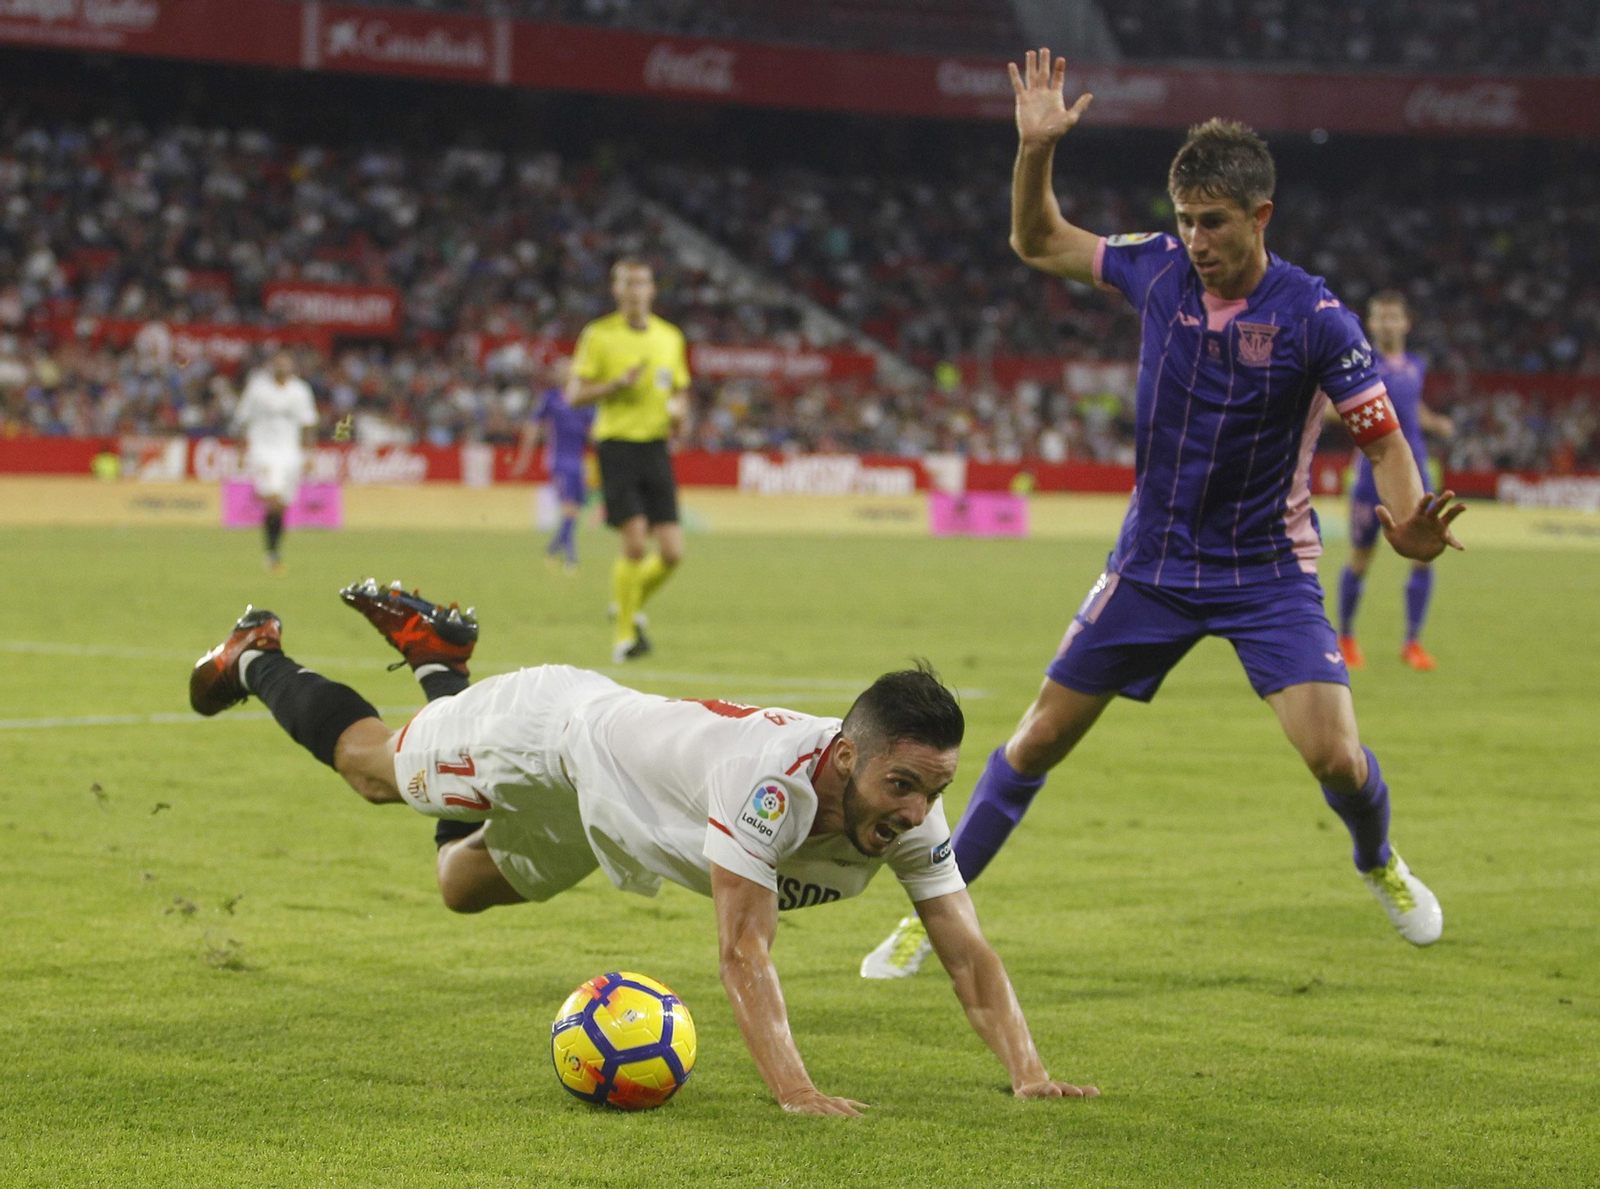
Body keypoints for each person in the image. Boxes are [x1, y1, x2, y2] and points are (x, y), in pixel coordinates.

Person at [862, 49, 1466, 980]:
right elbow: (1038, 241)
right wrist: (1034, 154)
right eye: (1185, 221)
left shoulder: (1317, 318)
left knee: (1337, 758)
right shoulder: (1155, 270)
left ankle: (1379, 860)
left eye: (1213, 223)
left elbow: (1383, 441)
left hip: (1268, 569)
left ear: (1260, 216)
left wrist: (1409, 527)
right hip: (1152, 562)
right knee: (1035, 738)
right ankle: (932, 916)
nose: (1195, 239)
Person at [187, 580, 1099, 1115]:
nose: (915, 811)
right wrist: (796, 1091)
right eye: (902, 786)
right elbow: (743, 949)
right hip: (549, 730)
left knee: (462, 885)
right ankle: (256, 655)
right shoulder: (771, 779)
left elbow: (964, 947)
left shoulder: (908, 808)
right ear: (846, 757)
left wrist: (1030, 1072)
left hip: (609, 813)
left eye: (935, 789)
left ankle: (440, 662)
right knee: (373, 768)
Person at [566, 259, 691, 662]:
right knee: (635, 543)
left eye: (642, 282)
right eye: (628, 284)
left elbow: (680, 390)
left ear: (653, 289)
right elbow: (574, 395)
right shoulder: (599, 335)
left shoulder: (670, 337)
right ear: (617, 290)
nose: (636, 290)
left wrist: (680, 416)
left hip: (655, 447)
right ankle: (624, 639)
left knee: (672, 552)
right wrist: (614, 385)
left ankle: (627, 603)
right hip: (617, 445)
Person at [1336, 292, 1455, 671]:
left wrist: (1434, 422)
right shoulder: (1359, 362)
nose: (1386, 324)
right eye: (1379, 318)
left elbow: (1411, 408)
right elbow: (1333, 406)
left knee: (1424, 555)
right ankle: (1347, 638)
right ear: (1370, 324)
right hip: (1370, 474)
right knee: (1360, 558)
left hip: (1417, 470)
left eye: (1393, 318)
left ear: (1406, 323)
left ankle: (1413, 642)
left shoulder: (1415, 366)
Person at [232, 349, 318, 572]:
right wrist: (241, 451)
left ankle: (273, 551)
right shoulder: (257, 388)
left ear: (292, 366)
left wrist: (309, 455)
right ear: (272, 365)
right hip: (263, 450)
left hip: (290, 453)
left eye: (286, 362)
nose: (282, 366)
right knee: (274, 499)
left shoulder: (300, 390)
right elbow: (243, 420)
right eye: (278, 362)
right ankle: (272, 555)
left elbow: (308, 424)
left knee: (281, 506)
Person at [511, 358, 594, 573]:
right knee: (568, 508)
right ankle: (571, 558)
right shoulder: (550, 398)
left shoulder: (585, 401)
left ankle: (553, 548)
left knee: (575, 510)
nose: (563, 373)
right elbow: (533, 427)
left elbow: (595, 433)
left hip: (579, 462)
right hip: (558, 460)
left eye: (567, 370)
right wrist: (524, 458)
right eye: (560, 370)